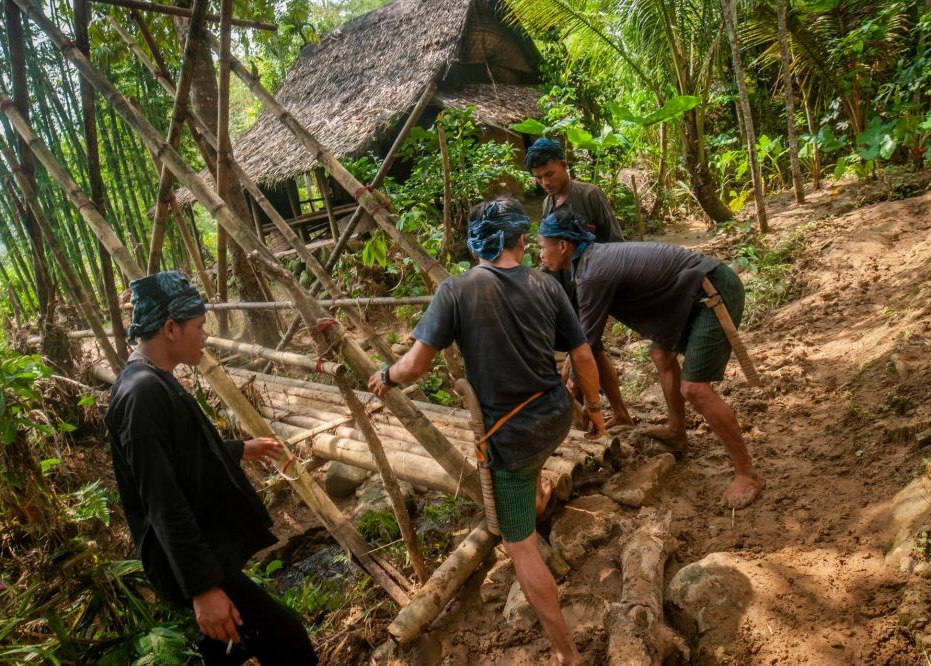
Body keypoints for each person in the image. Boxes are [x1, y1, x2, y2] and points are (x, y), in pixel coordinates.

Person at [368, 197, 606, 666]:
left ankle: (568, 655)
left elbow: (415, 365)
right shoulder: (548, 285)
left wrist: (386, 375)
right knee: (528, 473)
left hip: (510, 437)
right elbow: (581, 357)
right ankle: (535, 497)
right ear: (521, 239)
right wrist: (594, 408)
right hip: (555, 417)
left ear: (475, 245)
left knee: (518, 545)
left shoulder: (456, 291)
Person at [104, 271, 317, 665]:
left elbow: (183, 451)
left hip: (194, 552)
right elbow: (161, 499)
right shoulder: (142, 395)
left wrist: (239, 449)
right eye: (199, 326)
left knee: (230, 644)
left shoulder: (155, 380)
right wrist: (203, 589)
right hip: (187, 562)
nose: (205, 335)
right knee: (288, 639)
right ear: (170, 328)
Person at [537, 213, 766, 509]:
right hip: (689, 294)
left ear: (564, 245)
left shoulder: (593, 273)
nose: (541, 254)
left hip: (712, 292)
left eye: (543, 246)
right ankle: (676, 432)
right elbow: (582, 340)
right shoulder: (587, 264)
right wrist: (569, 375)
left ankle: (748, 474)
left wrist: (572, 386)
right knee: (661, 353)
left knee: (695, 389)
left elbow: (587, 346)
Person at [524, 138, 633, 427]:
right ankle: (620, 413)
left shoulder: (589, 195)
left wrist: (613, 291)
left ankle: (584, 418)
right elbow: (550, 252)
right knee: (592, 351)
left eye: (550, 174)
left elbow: (616, 243)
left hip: (594, 287)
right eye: (538, 178)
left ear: (564, 165)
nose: (545, 182)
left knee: (581, 351)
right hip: (566, 290)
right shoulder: (548, 203)